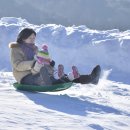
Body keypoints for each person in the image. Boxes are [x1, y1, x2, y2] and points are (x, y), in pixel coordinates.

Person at [9, 28, 101, 86]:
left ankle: (91, 78)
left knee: (60, 76)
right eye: (30, 38)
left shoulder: (34, 48)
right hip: (25, 77)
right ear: (23, 38)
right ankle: (63, 79)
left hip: (39, 71)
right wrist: (33, 64)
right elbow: (17, 65)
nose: (33, 40)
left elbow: (42, 60)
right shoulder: (16, 49)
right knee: (49, 79)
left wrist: (50, 63)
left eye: (34, 38)